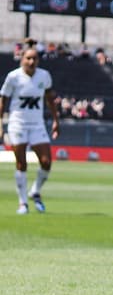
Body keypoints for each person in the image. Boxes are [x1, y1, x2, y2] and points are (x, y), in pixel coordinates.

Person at [0, 46, 60, 214]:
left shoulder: (44, 76)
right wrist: (0, 123)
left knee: (46, 162)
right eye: (28, 58)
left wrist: (56, 120)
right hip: (17, 124)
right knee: (21, 163)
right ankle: (23, 203)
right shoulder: (13, 77)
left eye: (35, 58)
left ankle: (34, 191)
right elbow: (3, 100)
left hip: (37, 124)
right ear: (22, 59)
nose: (31, 61)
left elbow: (50, 99)